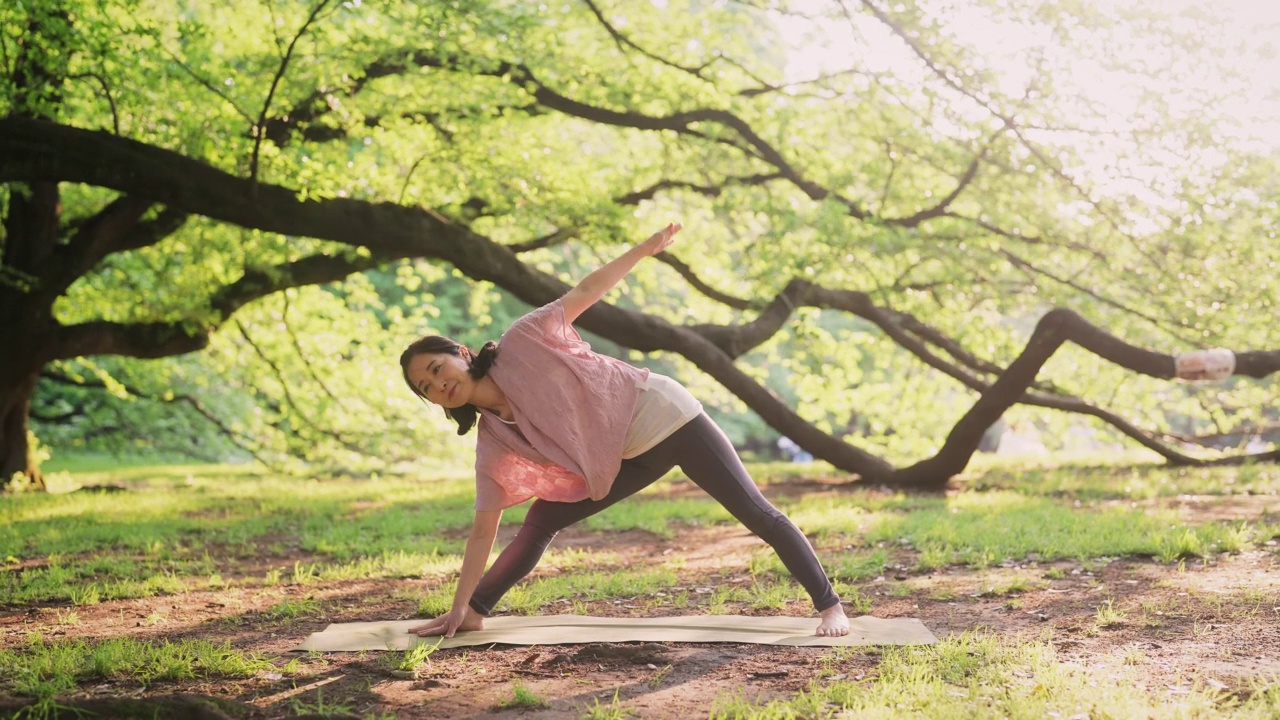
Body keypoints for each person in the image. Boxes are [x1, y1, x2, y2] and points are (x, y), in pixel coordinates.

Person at [399, 223, 849, 638]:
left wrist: (644, 250)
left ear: (461, 353)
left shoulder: (525, 340)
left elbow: (586, 289)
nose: (440, 384)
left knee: (755, 511)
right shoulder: (493, 439)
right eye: (428, 387)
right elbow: (483, 531)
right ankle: (477, 611)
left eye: (439, 369)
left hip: (666, 417)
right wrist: (458, 607)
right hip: (622, 456)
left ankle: (830, 607)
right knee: (541, 520)